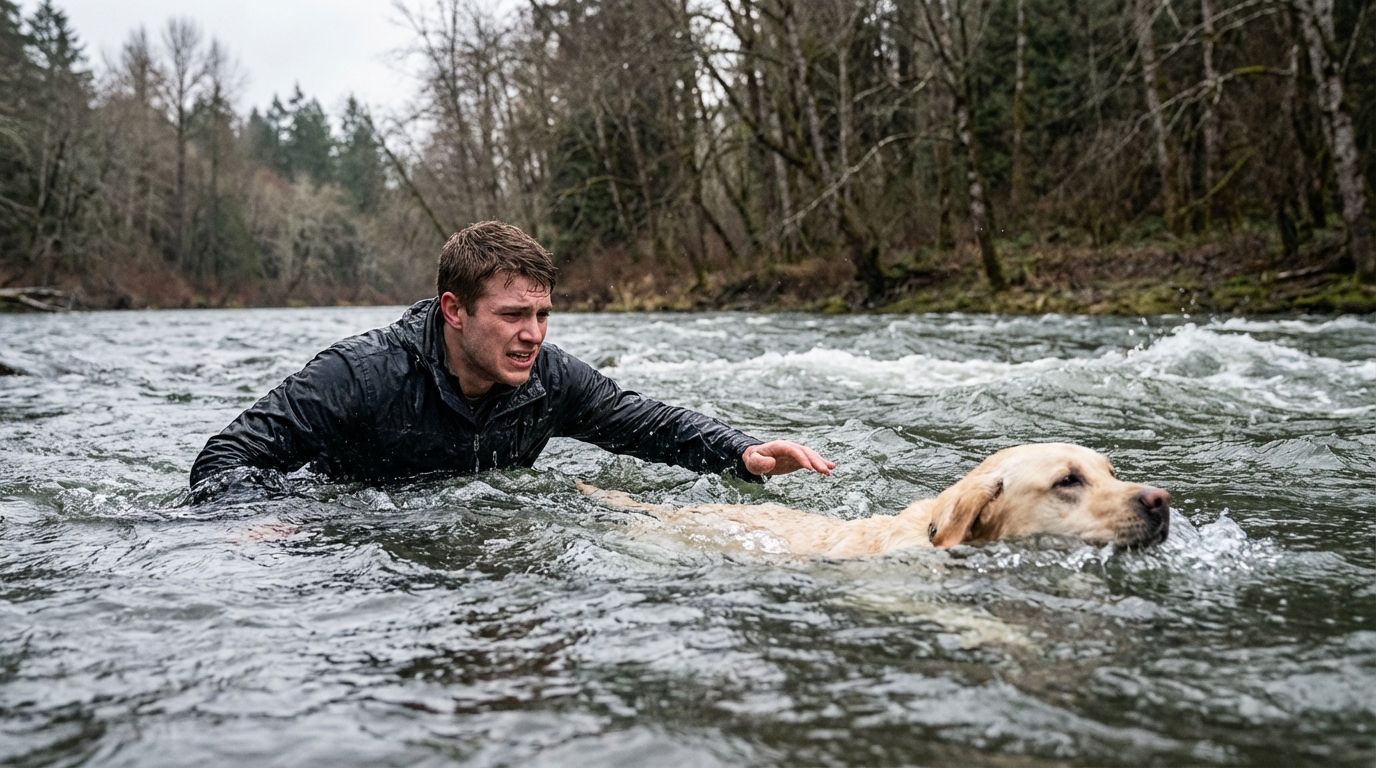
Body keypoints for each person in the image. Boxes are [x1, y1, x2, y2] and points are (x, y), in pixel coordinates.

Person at [190, 221, 834, 500]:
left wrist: (741, 453)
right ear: (454, 310)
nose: (532, 335)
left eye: (543, 315)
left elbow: (648, 423)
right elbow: (223, 459)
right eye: (512, 316)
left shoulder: (548, 380)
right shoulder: (361, 374)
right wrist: (257, 523)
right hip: (345, 523)